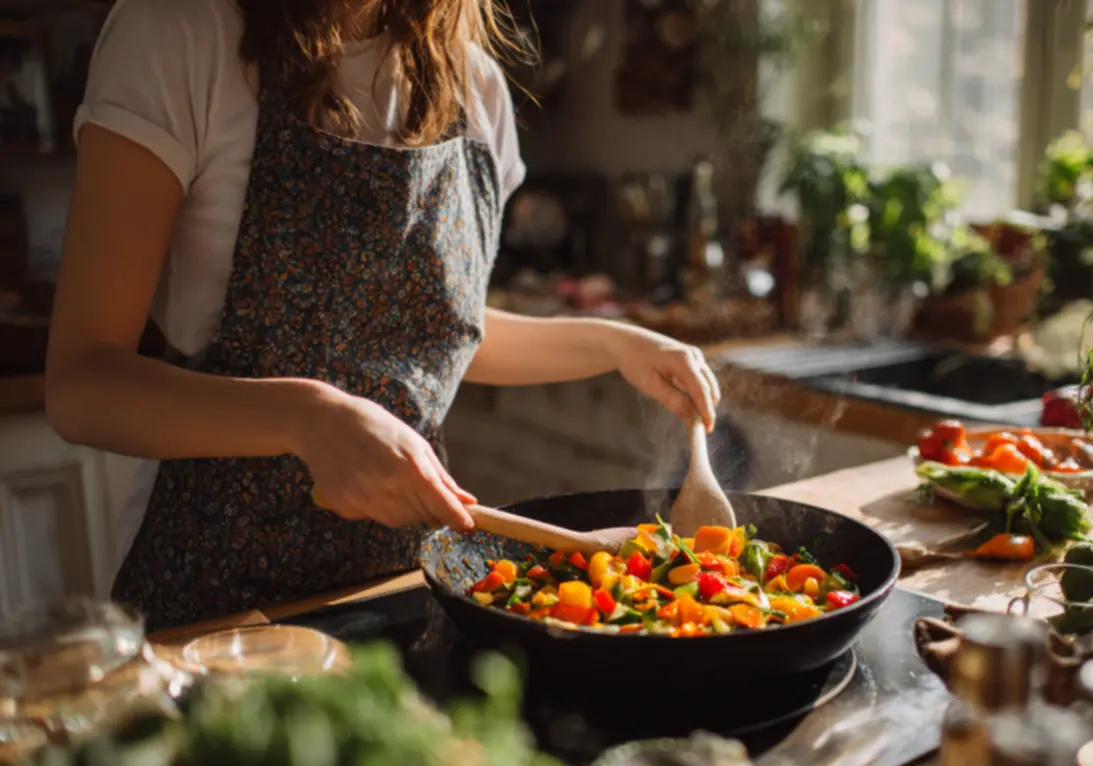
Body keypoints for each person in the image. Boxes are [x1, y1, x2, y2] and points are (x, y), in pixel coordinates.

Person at [45, 0, 721, 631]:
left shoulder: (473, 83)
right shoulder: (180, 32)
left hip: (402, 588)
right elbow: (82, 386)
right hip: (219, 609)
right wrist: (307, 416)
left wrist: (614, 342)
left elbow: (435, 333)